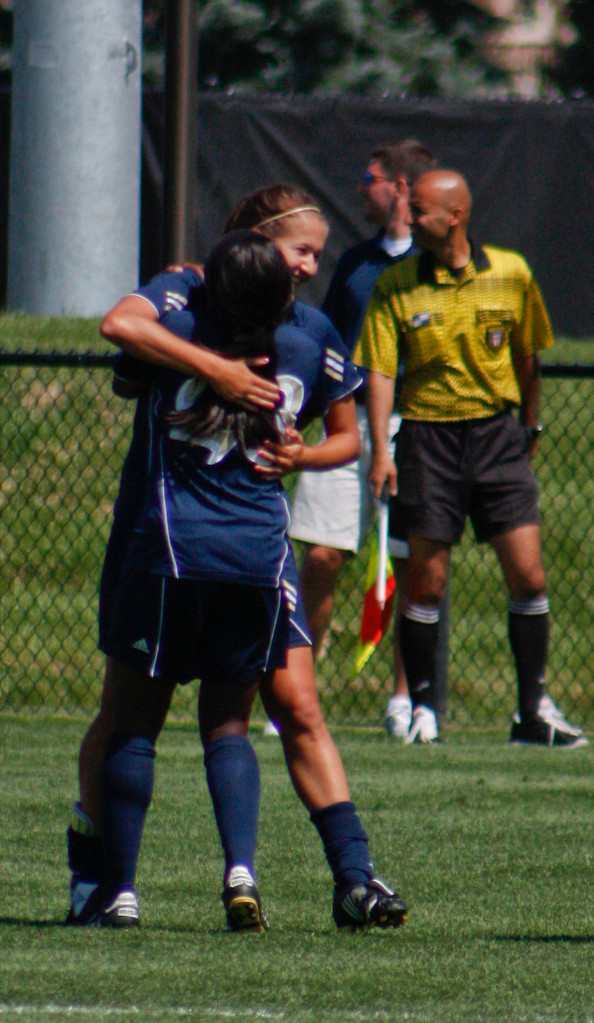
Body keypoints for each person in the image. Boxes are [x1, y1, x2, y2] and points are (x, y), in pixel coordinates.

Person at [67, 218, 408, 933]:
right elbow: (339, 428)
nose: (310, 265)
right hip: (256, 556)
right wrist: (297, 450)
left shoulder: (181, 325)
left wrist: (201, 357)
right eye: (300, 253)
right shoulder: (308, 336)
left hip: (171, 550)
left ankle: (118, 889)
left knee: (134, 722)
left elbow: (124, 345)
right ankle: (243, 871)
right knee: (232, 722)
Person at [353, 168, 587, 748]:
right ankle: (425, 709)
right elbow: (380, 369)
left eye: (422, 209)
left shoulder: (510, 273)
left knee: (528, 574)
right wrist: (383, 449)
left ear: (455, 216)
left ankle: (532, 711)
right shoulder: (396, 283)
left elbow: (530, 354)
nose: (409, 217)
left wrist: (529, 422)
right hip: (428, 439)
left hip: (496, 438)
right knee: (426, 582)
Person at [288, 140, 441, 739]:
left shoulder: (434, 270)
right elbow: (323, 341)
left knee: (408, 567)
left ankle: (405, 701)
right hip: (345, 424)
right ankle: (298, 691)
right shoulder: (353, 262)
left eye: (370, 177)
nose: (361, 188)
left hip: (416, 429)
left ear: (400, 187)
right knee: (321, 557)